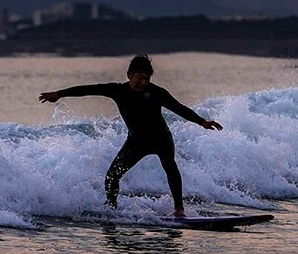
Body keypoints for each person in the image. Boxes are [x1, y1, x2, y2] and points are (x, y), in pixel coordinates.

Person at [39, 54, 222, 217]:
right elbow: (88, 89)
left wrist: (202, 122)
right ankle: (112, 208)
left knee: (170, 167)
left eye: (147, 79)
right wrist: (59, 94)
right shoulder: (117, 90)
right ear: (129, 75)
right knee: (112, 175)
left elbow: (178, 107)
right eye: (140, 78)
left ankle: (179, 209)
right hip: (136, 142)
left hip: (161, 139)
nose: (144, 83)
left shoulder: (156, 92)